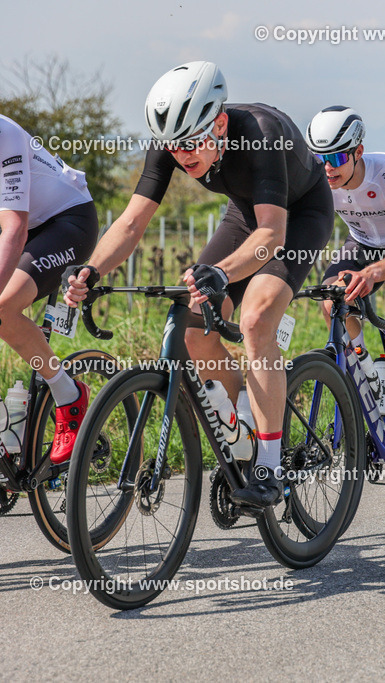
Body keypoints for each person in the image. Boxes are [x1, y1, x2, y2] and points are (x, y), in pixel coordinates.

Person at [65, 61, 334, 507]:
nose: (182, 155)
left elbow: (271, 234)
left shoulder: (262, 133)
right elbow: (132, 222)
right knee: (193, 332)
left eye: (191, 143)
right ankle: (240, 432)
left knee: (255, 319)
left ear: (221, 123)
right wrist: (92, 270)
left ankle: (268, 463)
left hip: (297, 216)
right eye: (173, 147)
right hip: (244, 213)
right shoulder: (173, 142)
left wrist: (223, 273)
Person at [304, 106, 385, 496]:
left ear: (358, 151)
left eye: (336, 157)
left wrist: (374, 273)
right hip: (361, 245)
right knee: (331, 301)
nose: (327, 168)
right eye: (319, 158)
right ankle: (364, 368)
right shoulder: (320, 177)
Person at [0, 115, 98, 463]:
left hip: (67, 222)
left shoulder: (5, 134)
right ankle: (10, 437)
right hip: (23, 231)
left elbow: (15, 229)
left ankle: (68, 395)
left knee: (2, 308)